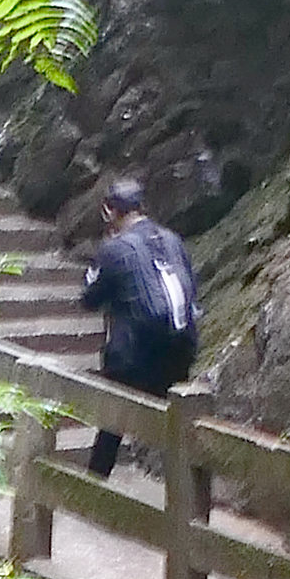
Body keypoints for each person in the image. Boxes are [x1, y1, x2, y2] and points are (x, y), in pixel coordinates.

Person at [80, 176, 198, 476]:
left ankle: (93, 488)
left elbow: (89, 299)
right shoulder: (172, 240)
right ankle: (187, 505)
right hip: (180, 350)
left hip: (133, 357)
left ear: (109, 212)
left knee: (111, 425)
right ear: (142, 206)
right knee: (175, 432)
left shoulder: (115, 248)